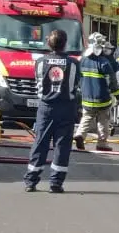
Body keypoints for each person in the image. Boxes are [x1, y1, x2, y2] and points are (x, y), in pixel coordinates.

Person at [24, 30, 81, 194]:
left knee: (40, 143)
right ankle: (56, 183)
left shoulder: (40, 62)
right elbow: (76, 85)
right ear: (65, 43)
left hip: (46, 107)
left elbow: (38, 83)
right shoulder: (74, 64)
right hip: (66, 108)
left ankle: (31, 181)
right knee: (62, 146)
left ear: (49, 43)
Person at [74, 32, 119, 152]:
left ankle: (80, 134)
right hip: (102, 99)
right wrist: (118, 94)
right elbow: (112, 81)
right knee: (103, 121)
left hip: (86, 98)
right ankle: (102, 143)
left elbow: (77, 78)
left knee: (86, 117)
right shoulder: (104, 62)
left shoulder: (82, 61)